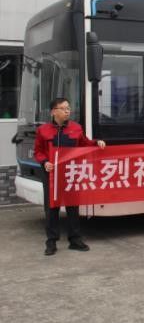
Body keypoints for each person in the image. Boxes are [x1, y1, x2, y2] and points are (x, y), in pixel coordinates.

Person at [34, 97, 106, 256]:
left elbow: (85, 143)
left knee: (73, 207)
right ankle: (51, 241)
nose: (67, 111)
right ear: (53, 112)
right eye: (63, 108)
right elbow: (38, 151)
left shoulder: (76, 128)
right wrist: (45, 162)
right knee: (52, 208)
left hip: (71, 173)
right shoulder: (43, 130)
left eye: (68, 108)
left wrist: (97, 143)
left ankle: (75, 239)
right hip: (51, 174)